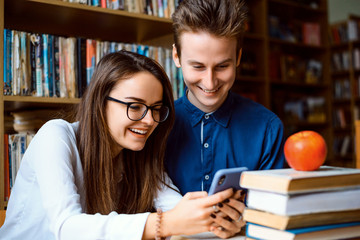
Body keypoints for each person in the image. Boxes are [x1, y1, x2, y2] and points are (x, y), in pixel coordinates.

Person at [0, 50, 235, 240]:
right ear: (101, 102)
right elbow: (67, 227)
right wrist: (165, 224)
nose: (149, 121)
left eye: (156, 109)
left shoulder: (139, 155)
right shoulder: (55, 136)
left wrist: (224, 222)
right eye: (135, 107)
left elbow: (178, 212)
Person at [165, 0, 285, 237]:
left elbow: (278, 214)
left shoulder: (268, 128)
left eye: (222, 66)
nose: (210, 83)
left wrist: (246, 220)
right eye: (197, 66)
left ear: (238, 57)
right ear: (177, 56)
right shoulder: (156, 125)